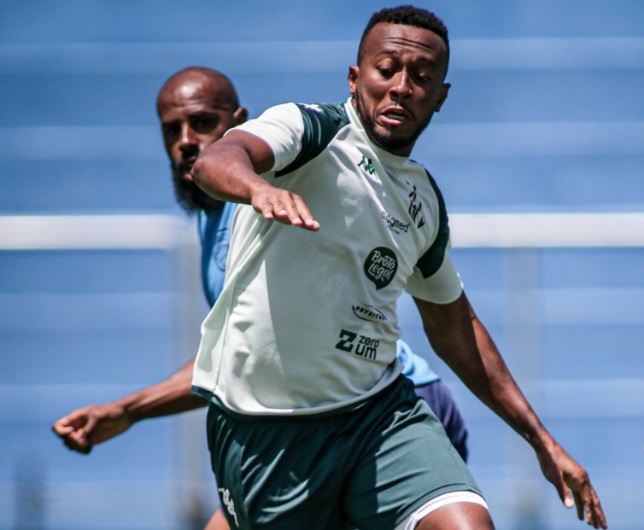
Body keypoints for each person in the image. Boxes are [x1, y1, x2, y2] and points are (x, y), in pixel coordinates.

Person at [188, 5, 607, 530]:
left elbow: (454, 326)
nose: (402, 87)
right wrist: (258, 188)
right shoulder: (310, 130)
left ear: (441, 97)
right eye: (386, 69)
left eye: (422, 77)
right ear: (355, 78)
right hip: (266, 431)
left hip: (377, 416)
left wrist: (541, 441)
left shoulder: (423, 199)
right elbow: (215, 160)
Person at [51, 66, 469, 529]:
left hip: (380, 406)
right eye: (172, 130)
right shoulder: (212, 217)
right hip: (308, 422)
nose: (187, 141)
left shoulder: (269, 196)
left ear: (239, 124)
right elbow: (241, 352)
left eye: (202, 123)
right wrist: (126, 410)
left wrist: (129, 410)